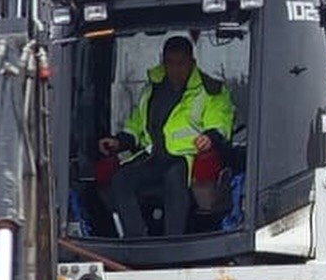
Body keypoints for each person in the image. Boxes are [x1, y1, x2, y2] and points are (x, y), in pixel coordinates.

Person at [98, 36, 235, 237]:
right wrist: (119, 141)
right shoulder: (151, 89)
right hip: (153, 158)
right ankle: (136, 240)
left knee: (174, 178)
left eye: (181, 63)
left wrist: (210, 137)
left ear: (192, 62)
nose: (175, 69)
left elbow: (220, 121)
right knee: (121, 179)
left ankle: (174, 239)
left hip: (185, 159)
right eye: (170, 63)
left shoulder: (211, 90)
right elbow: (137, 125)